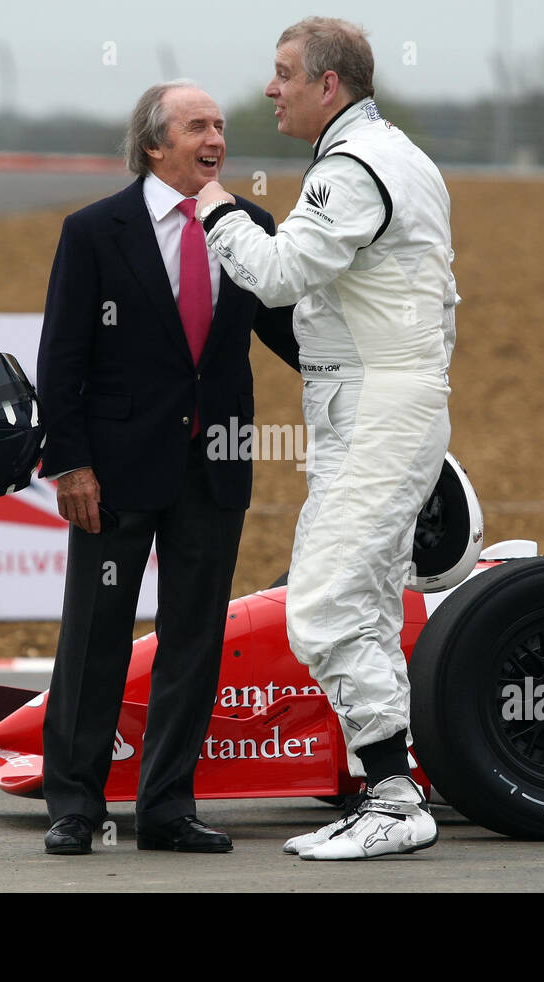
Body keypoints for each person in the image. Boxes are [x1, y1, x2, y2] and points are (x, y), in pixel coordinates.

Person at [195, 17, 457, 860]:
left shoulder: (353, 166)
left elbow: (274, 274)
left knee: (320, 604)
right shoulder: (393, 153)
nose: (269, 89)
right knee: (368, 603)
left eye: (282, 75)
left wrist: (214, 208)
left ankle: (393, 794)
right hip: (380, 406)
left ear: (329, 85)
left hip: (380, 410)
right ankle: (394, 789)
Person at [36, 81, 298, 856]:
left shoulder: (247, 224)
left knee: (195, 637)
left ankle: (168, 807)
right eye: (196, 126)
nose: (214, 137)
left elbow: (292, 334)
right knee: (96, 637)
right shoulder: (94, 231)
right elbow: (62, 358)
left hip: (213, 467)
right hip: (114, 473)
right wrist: (71, 462)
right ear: (155, 145)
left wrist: (376, 358)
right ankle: (76, 805)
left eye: (219, 125)